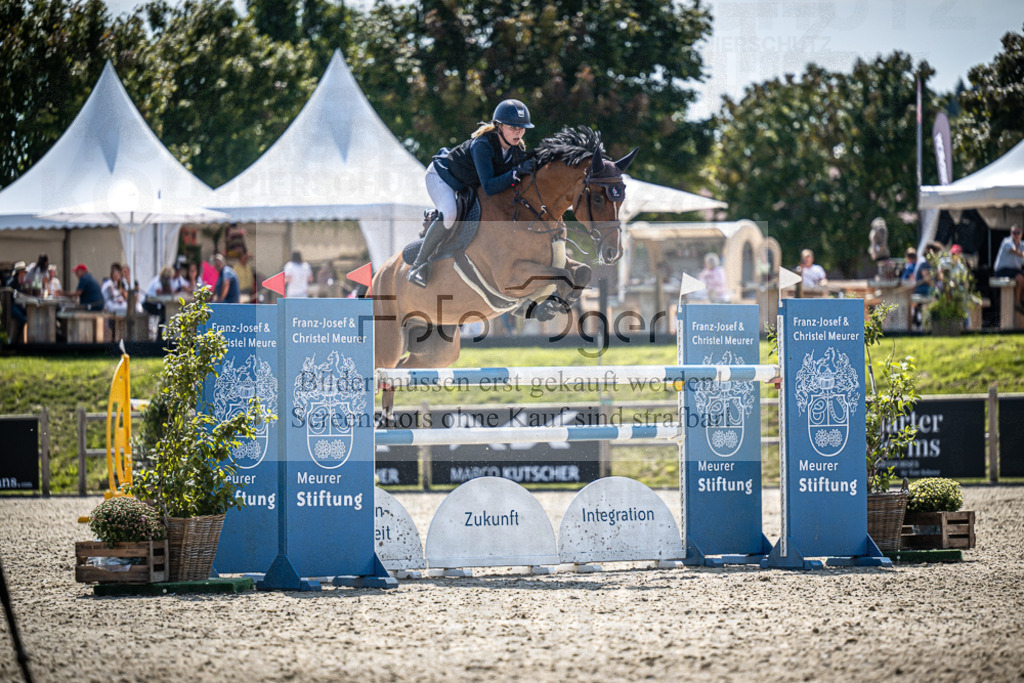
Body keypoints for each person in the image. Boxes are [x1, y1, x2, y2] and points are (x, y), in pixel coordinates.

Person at [408, 98, 537, 287]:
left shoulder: (517, 150)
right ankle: (419, 264)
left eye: (522, 128)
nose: (518, 132)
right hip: (442, 176)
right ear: (499, 126)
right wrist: (516, 173)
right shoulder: (482, 145)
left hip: (467, 184)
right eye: (513, 127)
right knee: (450, 214)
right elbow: (490, 187)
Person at [993, 224, 1024, 315]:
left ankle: (1022, 300)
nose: (1016, 235)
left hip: (1014, 270)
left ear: (1021, 234)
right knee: (1019, 277)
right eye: (1014, 233)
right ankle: (1018, 303)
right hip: (1002, 270)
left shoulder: (1022, 244)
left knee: (1021, 276)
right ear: (1011, 234)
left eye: (1018, 233)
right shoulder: (1007, 241)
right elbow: (1013, 250)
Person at [142, 266, 175, 339]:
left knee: (165, 312)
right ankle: (159, 336)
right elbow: (159, 293)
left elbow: (171, 292)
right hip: (148, 304)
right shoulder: (158, 281)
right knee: (163, 313)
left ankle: (161, 334)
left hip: (155, 303)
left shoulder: (164, 282)